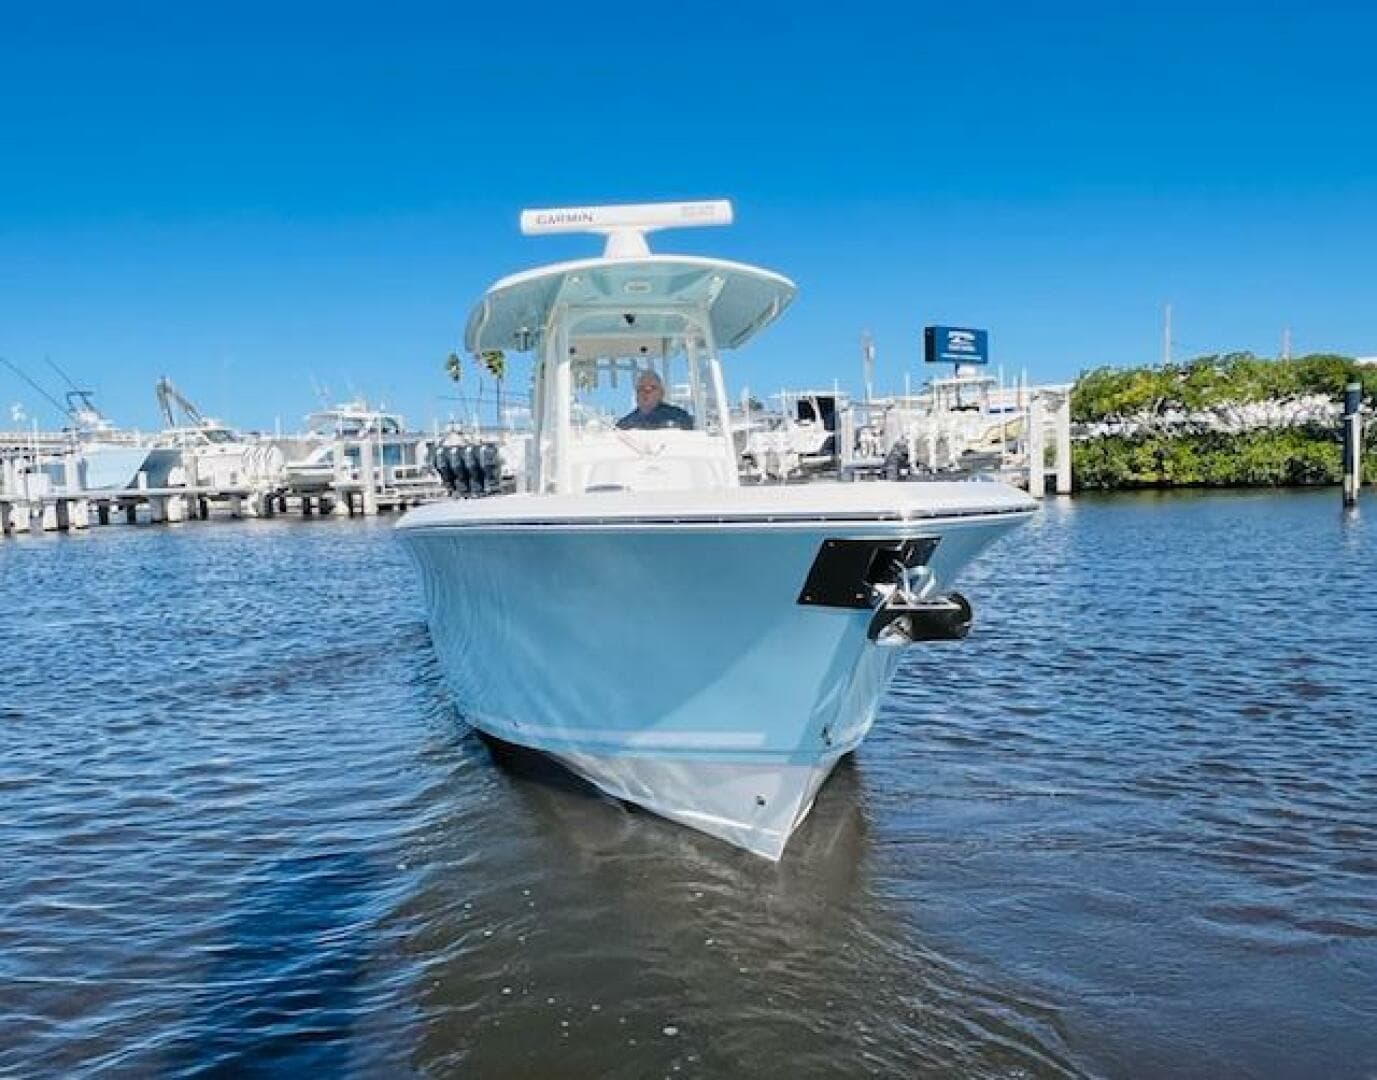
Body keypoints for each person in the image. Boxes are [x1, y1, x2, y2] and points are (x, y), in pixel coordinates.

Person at [616, 369, 694, 430]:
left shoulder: (679, 416)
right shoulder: (624, 425)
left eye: (651, 388)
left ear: (662, 393)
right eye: (641, 388)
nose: (645, 392)